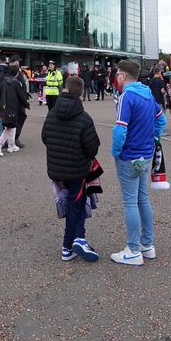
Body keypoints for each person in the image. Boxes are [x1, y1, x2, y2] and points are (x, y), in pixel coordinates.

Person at [109, 58, 165, 265]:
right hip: (146, 154)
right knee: (142, 199)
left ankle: (132, 250)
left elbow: (120, 128)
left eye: (117, 74)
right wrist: (154, 137)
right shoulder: (148, 94)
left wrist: (116, 151)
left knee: (130, 201)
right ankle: (146, 245)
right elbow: (161, 119)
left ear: (123, 75)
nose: (116, 78)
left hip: (129, 156)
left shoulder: (126, 96)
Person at [42, 75, 102, 262]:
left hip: (56, 167)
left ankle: (79, 238)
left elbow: (45, 137)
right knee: (76, 205)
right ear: (81, 92)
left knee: (69, 203)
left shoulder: (52, 113)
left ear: (65, 89)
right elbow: (92, 147)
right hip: (77, 170)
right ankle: (69, 245)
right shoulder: (84, 118)